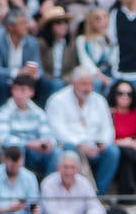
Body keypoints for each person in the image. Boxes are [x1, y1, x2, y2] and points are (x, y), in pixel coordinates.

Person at [46, 66, 121, 196]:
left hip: (95, 148)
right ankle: (78, 195)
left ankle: (99, 195)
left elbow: (108, 128)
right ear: (73, 83)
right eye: (84, 84)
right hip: (70, 146)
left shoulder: (99, 100)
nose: (88, 88)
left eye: (90, 84)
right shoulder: (57, 100)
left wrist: (102, 143)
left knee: (112, 152)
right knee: (69, 149)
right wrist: (79, 144)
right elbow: (57, 129)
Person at [40, 149, 105, 214]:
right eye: (65, 167)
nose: (69, 171)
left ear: (78, 169)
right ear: (58, 167)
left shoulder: (84, 182)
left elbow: (98, 208)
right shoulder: (48, 183)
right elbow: (52, 213)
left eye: (72, 167)